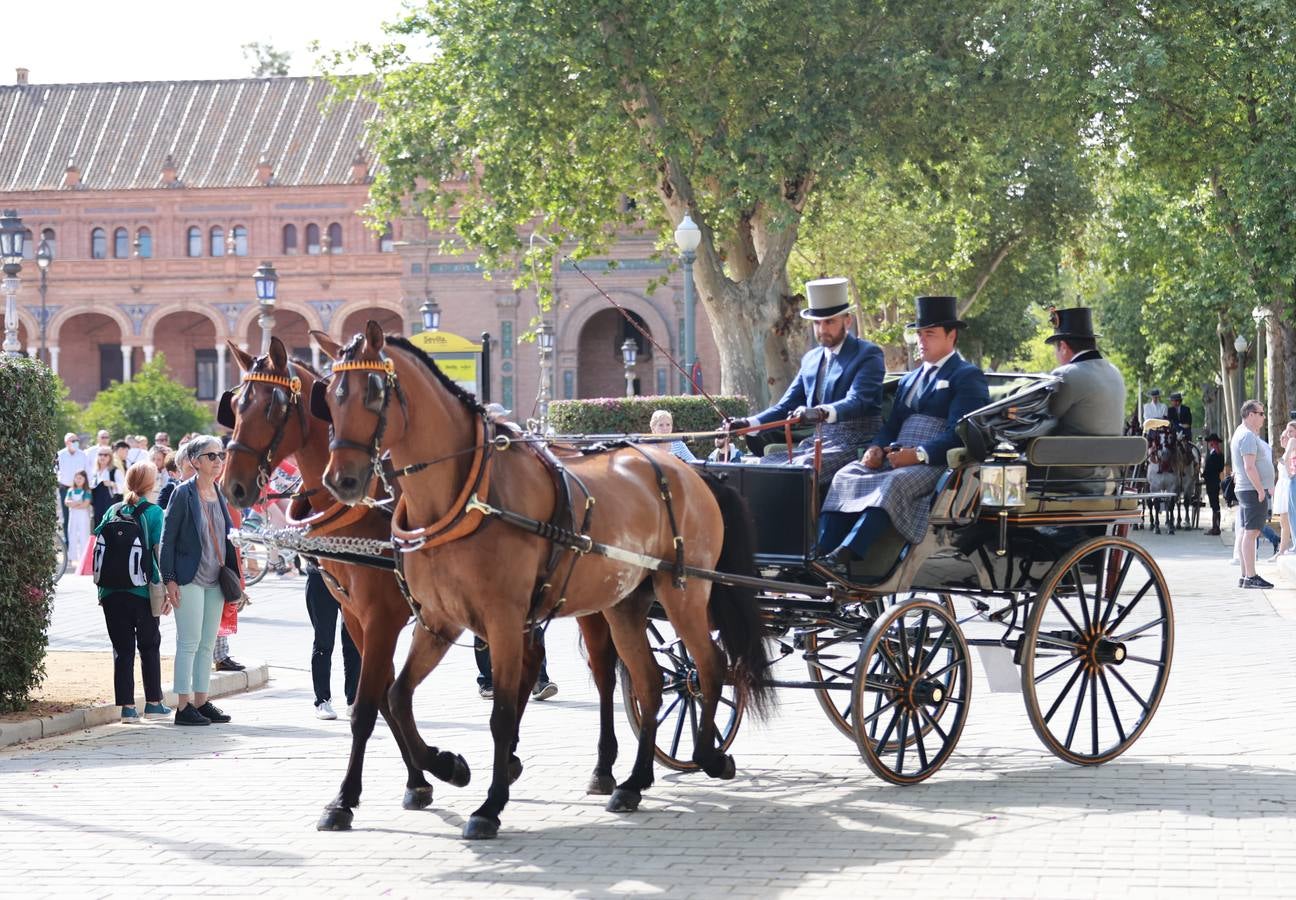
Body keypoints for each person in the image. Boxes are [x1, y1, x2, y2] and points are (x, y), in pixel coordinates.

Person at [818, 295, 989, 571]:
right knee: (846, 475)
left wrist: (919, 454)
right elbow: (892, 425)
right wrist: (876, 448)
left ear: (951, 335)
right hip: (897, 455)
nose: (922, 341)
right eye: (919, 334)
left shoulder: (966, 375)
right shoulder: (909, 379)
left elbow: (961, 431)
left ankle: (847, 554)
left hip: (935, 462)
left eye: (930, 334)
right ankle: (822, 550)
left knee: (894, 482)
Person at [722, 277, 885, 482]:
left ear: (847, 320)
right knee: (764, 466)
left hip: (857, 442)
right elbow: (786, 407)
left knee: (801, 470)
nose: (822, 329)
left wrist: (821, 412)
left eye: (829, 321)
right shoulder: (811, 359)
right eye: (817, 322)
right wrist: (748, 424)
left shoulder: (868, 354)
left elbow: (858, 400)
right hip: (819, 441)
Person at [160, 434, 241, 726]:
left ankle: (201, 701)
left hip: (216, 579)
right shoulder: (183, 493)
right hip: (188, 577)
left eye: (220, 455)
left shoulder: (219, 492)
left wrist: (237, 580)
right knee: (189, 642)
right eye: (211, 456)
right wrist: (169, 580)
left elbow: (227, 539)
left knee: (207, 644)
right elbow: (167, 539)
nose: (218, 461)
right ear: (195, 461)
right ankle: (183, 707)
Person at [95, 461, 171, 724]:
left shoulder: (113, 509)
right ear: (151, 484)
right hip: (142, 591)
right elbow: (160, 554)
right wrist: (168, 590)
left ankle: (127, 709)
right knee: (149, 645)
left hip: (110, 591)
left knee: (122, 649)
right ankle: (153, 704)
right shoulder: (154, 513)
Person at [1041, 307, 1126, 492]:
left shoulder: (1066, 375)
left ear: (1063, 347)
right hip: (1108, 475)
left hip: (1067, 477)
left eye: (1056, 349)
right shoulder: (1115, 373)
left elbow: (1043, 419)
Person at [305, 563, 360, 719]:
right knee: (324, 641)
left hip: (350, 577)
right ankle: (322, 701)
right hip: (320, 577)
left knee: (354, 641)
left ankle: (354, 700)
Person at [1230, 400, 1275, 589]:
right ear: (1251, 415)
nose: (1264, 417)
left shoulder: (1242, 433)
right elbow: (1249, 467)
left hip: (1247, 489)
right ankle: (1251, 576)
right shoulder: (1247, 435)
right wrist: (1260, 490)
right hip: (1251, 490)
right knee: (1252, 533)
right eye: (1261, 414)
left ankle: (1245, 575)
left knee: (1246, 532)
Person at [55, 432, 88, 545]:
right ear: (66, 442)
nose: (76, 443)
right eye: (73, 441)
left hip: (81, 490)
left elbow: (87, 471)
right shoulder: (60, 455)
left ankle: (81, 545)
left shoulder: (83, 455)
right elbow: (54, 471)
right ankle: (68, 544)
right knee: (66, 517)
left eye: (77, 440)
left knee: (81, 517)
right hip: (65, 489)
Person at [1275, 421, 1296, 556]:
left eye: (1291, 431)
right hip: (1290, 481)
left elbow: (1286, 457)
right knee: (1290, 516)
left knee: (1292, 515)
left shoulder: (1292, 441)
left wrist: (1290, 474)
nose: (1288, 434)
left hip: (1292, 480)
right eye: (1287, 431)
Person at [64, 470, 94, 564]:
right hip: (73, 516)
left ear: (85, 479)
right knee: (72, 535)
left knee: (83, 536)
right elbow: (66, 502)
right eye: (76, 478)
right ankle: (72, 557)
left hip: (83, 517)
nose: (78, 480)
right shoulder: (70, 490)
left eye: (80, 478)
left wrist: (73, 504)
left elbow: (85, 504)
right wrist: (78, 502)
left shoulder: (87, 491)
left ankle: (84, 559)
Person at [1202, 433, 1225, 536]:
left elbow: (1210, 469)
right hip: (1213, 481)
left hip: (1212, 482)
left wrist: (1204, 475)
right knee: (1215, 505)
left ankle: (1216, 527)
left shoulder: (1215, 455)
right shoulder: (1217, 454)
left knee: (1214, 505)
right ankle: (1215, 526)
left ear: (1212, 443)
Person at [89, 446, 117, 528]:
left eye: (105, 455)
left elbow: (122, 487)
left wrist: (112, 484)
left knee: (108, 525)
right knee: (97, 525)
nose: (102, 457)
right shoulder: (94, 471)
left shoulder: (114, 470)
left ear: (110, 457)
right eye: (100, 454)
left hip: (109, 503)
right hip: (96, 503)